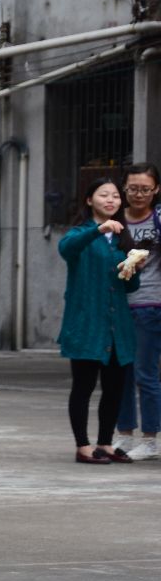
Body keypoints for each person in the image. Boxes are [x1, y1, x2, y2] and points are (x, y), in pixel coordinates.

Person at [58, 176, 140, 463]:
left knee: (115, 387)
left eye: (115, 196)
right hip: (86, 324)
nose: (111, 200)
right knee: (84, 385)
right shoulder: (81, 233)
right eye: (104, 194)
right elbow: (66, 249)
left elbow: (129, 287)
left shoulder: (122, 239)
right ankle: (83, 445)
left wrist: (133, 269)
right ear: (89, 200)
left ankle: (105, 443)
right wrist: (98, 229)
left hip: (117, 327)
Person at [114, 164, 161, 460]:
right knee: (121, 375)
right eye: (133, 189)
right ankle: (125, 435)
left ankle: (151, 439)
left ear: (156, 190)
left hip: (151, 304)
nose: (139, 194)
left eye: (145, 189)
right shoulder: (114, 221)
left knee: (146, 374)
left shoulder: (159, 219)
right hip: (120, 308)